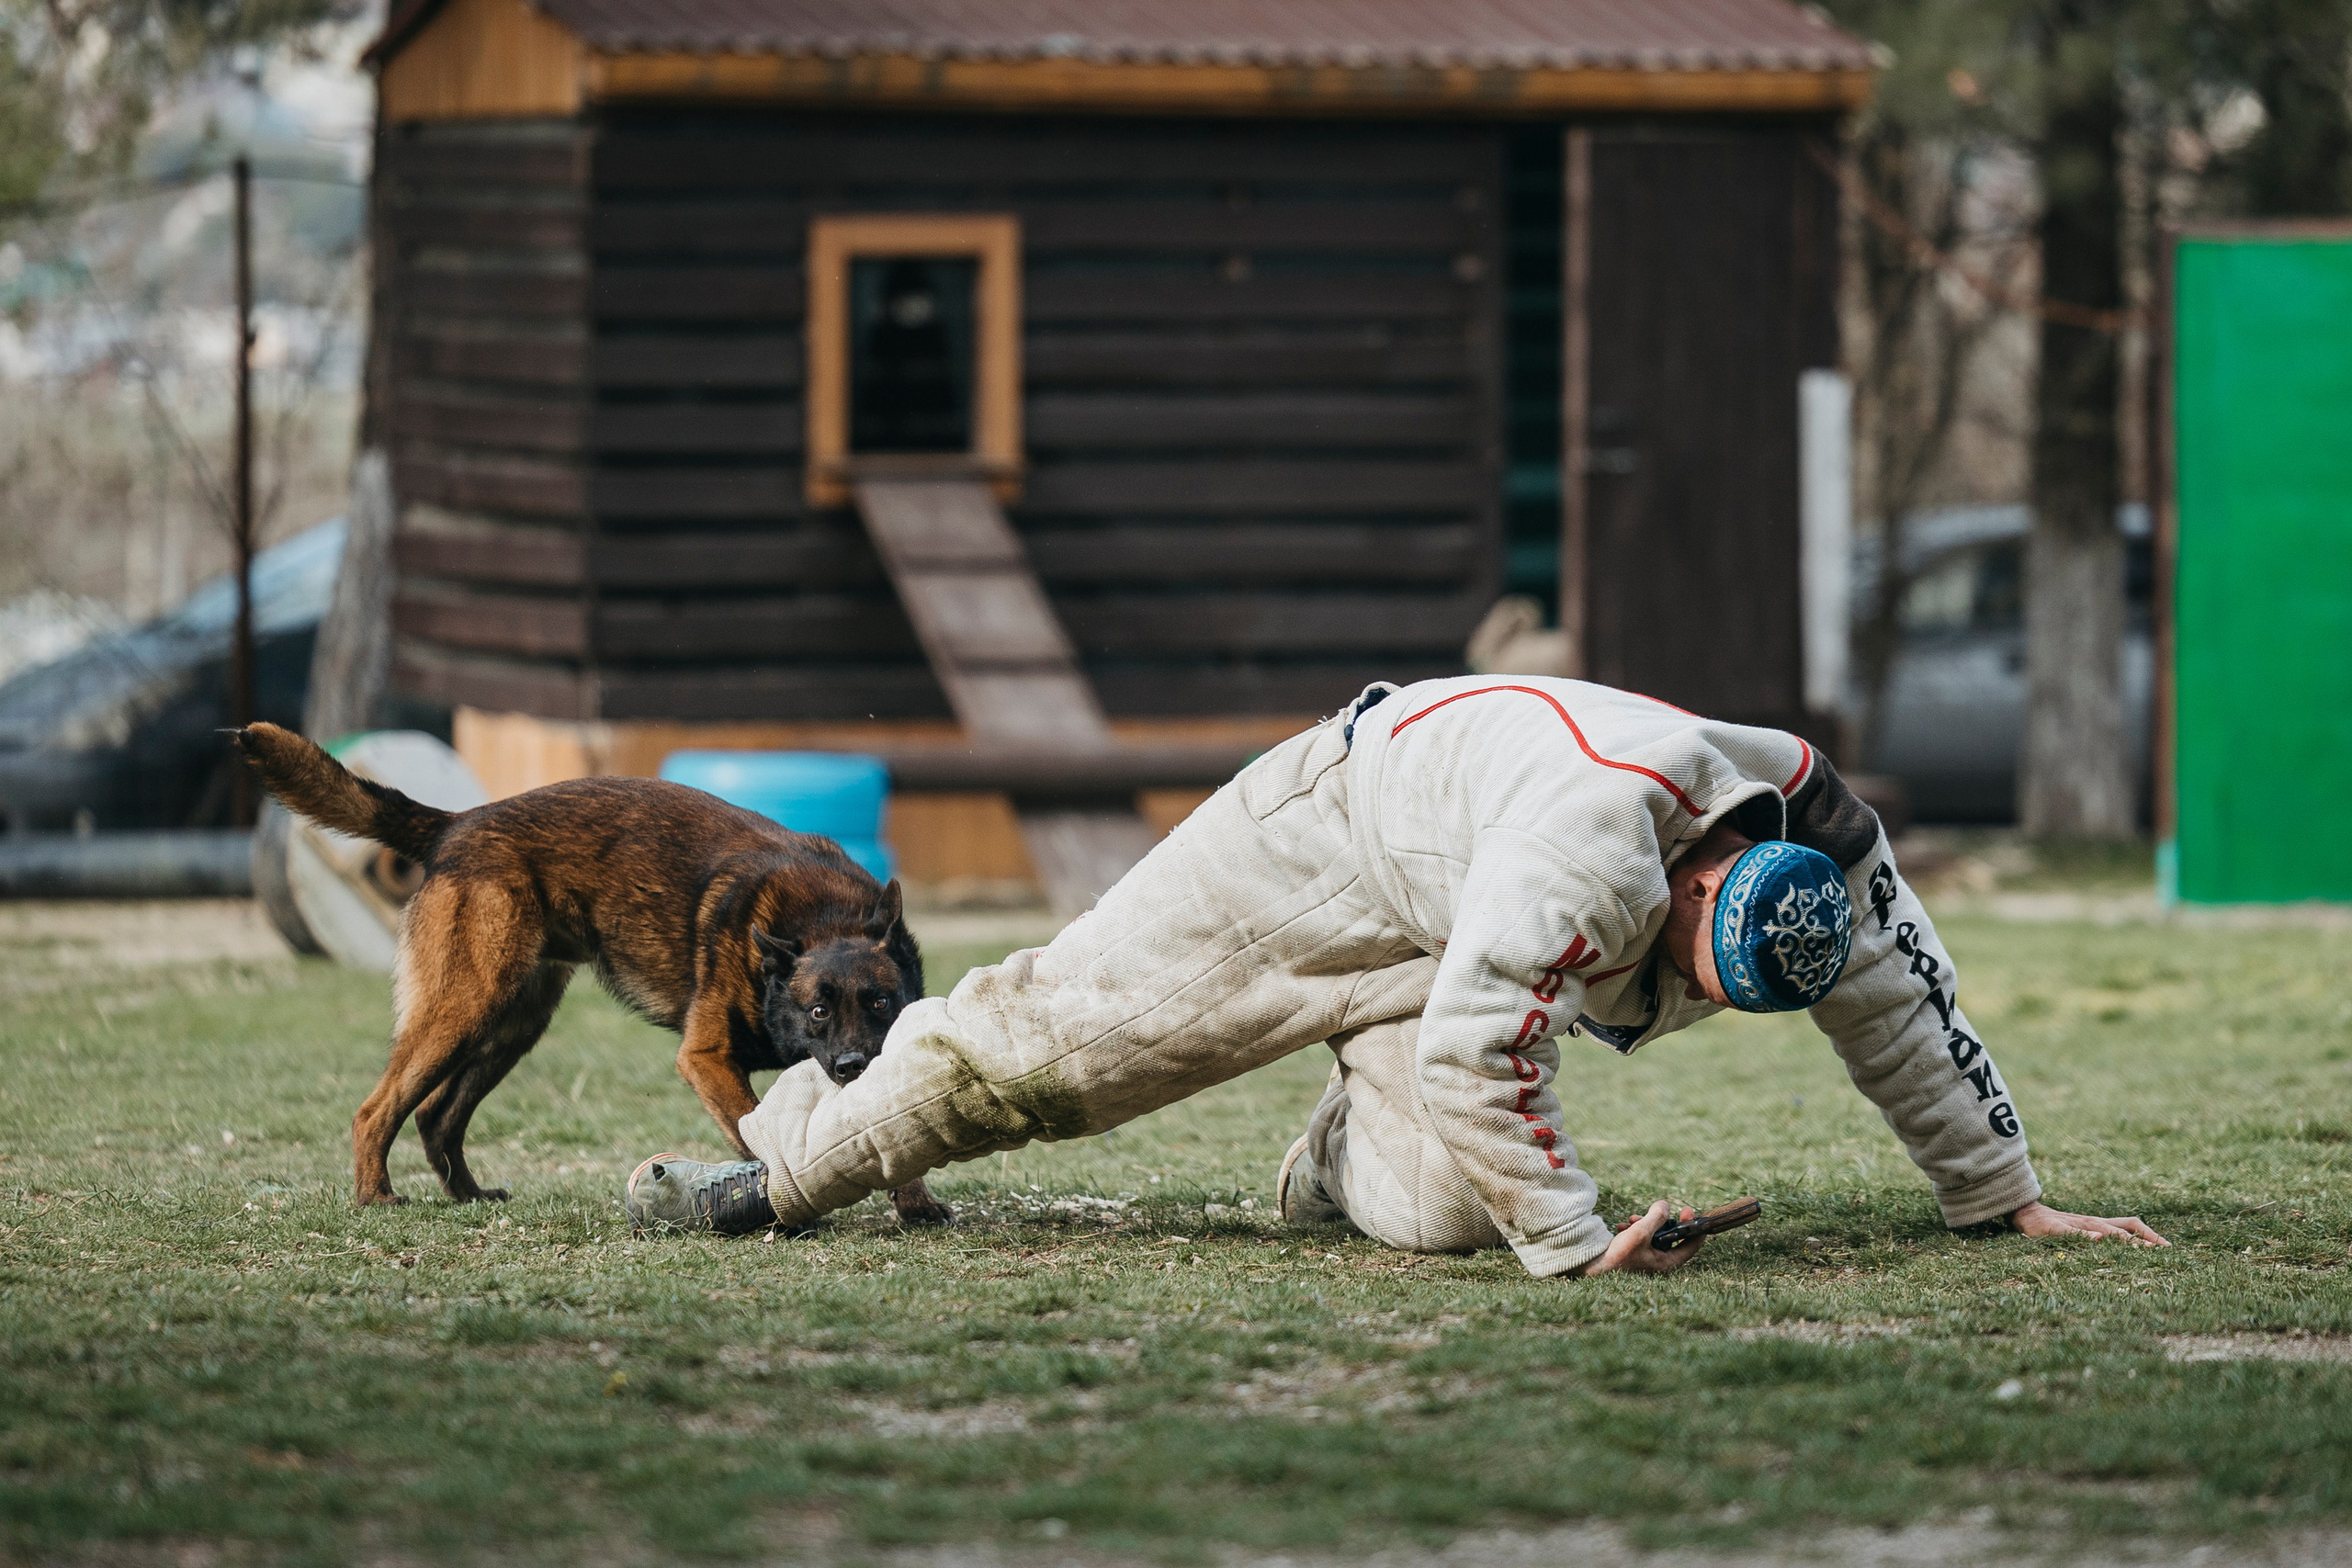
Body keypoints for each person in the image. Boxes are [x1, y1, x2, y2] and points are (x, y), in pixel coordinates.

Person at [626, 677, 2166, 1274]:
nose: (1686, 988)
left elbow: (1904, 1000)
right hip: (1332, 843)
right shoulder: (1597, 848)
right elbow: (1490, 1048)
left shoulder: (1820, 846)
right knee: (1041, 1058)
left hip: (1465, 901)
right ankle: (768, 1177)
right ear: (1699, 869)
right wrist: (1575, 1243)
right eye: (1693, 955)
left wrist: (2000, 1193)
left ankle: (1339, 1151)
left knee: (1437, 1220)